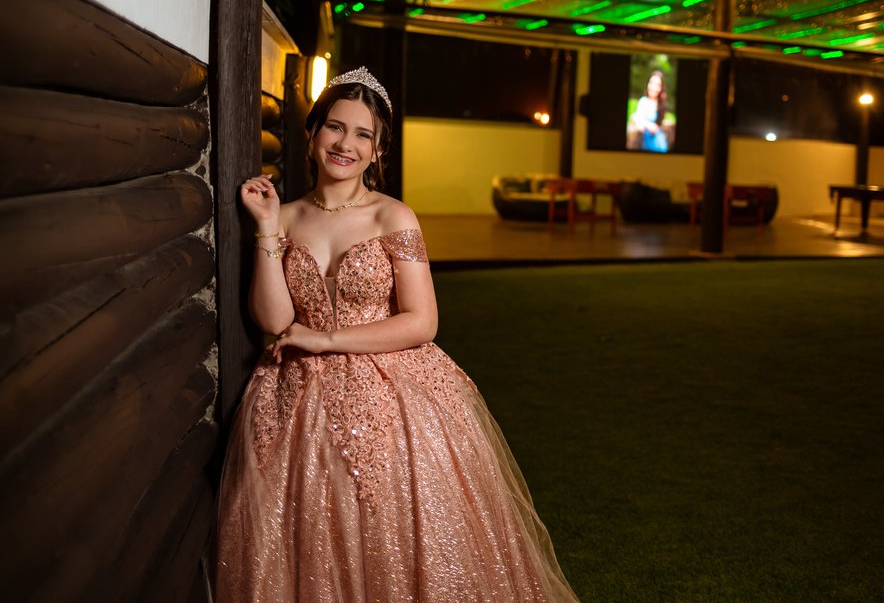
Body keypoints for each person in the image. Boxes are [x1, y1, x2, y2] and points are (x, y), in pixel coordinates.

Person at [215, 67, 579, 603]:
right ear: (313, 133)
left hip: (393, 388)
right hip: (296, 396)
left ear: (378, 150)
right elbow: (272, 320)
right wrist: (267, 228)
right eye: (335, 127)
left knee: (402, 531)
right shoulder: (284, 216)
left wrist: (327, 341)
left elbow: (422, 322)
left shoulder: (394, 217)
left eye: (363, 134)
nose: (346, 144)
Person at [630, 71, 669, 152]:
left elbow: (655, 128)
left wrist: (640, 119)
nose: (653, 87)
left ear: (661, 88)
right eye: (652, 83)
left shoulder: (660, 105)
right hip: (646, 144)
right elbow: (637, 123)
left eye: (657, 85)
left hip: (658, 144)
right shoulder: (643, 101)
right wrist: (637, 119)